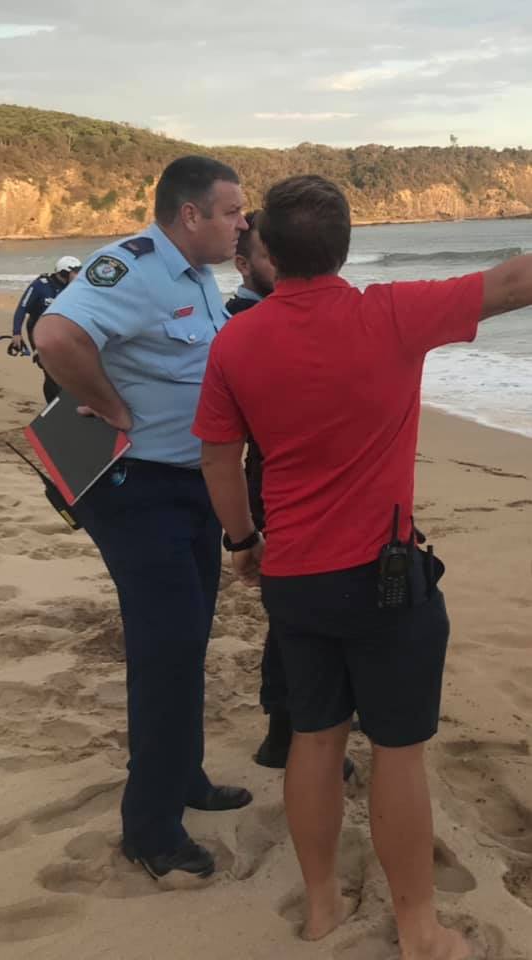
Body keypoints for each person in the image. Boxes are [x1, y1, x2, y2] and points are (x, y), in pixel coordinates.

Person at [193, 174, 532, 955]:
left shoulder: (235, 340)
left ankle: (321, 908)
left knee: (315, 738)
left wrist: (243, 543)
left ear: (266, 249)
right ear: (345, 249)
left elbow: (219, 459)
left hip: (295, 580)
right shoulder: (392, 313)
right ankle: (417, 924)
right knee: (398, 751)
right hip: (384, 580)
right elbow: (513, 281)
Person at [33, 156, 251, 886]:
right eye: (230, 212)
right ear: (190, 215)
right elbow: (58, 338)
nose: (242, 223)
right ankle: (152, 831)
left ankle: (183, 776)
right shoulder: (130, 268)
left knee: (187, 639)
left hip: (187, 484)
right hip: (134, 487)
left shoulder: (194, 274)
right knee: (165, 651)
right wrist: (117, 410)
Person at [226, 213, 355, 782]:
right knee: (294, 611)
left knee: (295, 608)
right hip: (274, 480)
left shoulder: (255, 318)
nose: (282, 269)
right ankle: (287, 731)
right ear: (245, 265)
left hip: (288, 476)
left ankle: (293, 726)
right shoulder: (241, 321)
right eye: (270, 258)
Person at [10, 255, 82, 402]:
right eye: (75, 272)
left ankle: (64, 402)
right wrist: (16, 333)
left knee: (68, 371)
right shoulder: (40, 285)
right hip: (38, 331)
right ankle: (53, 405)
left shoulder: (75, 288)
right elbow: (22, 308)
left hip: (62, 332)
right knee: (50, 372)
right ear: (64, 273)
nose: (79, 276)